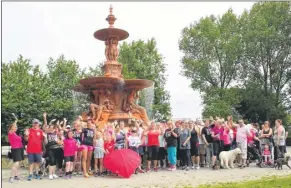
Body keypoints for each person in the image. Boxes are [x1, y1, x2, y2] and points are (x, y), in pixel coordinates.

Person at [43, 114, 63, 180]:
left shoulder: (55, 134)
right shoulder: (47, 133)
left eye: (52, 127)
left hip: (56, 148)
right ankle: (50, 174)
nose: (51, 128)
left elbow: (58, 142)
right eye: (50, 127)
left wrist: (61, 141)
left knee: (54, 161)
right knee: (51, 161)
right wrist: (45, 117)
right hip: (50, 148)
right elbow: (45, 125)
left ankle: (53, 173)